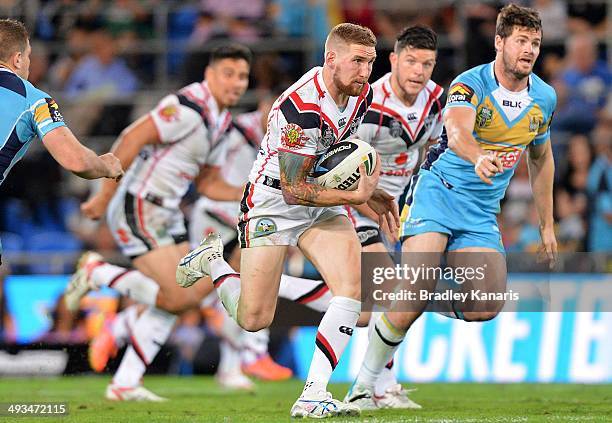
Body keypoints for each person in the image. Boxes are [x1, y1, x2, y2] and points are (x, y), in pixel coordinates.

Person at [177, 23, 400, 418]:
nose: (366, 72)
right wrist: (357, 196)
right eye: (358, 62)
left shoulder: (359, 93)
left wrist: (368, 190)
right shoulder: (300, 109)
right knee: (253, 318)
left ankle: (313, 393)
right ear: (331, 58)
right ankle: (213, 261)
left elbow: (336, 155)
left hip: (319, 200)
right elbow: (293, 190)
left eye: (370, 62)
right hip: (271, 203)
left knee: (356, 295)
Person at [345, 3, 557, 406]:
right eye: (521, 41)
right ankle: (361, 387)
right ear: (499, 42)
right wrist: (478, 155)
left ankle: (416, 292)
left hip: (480, 213)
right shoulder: (468, 84)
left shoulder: (544, 98)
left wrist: (547, 223)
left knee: (486, 305)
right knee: (412, 290)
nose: (529, 49)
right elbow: (457, 130)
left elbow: (541, 158)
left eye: (535, 42)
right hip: (437, 193)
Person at [64, 44, 251, 401]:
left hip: (166, 212)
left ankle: (125, 383)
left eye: (243, 76)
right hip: (140, 204)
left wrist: (254, 192)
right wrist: (103, 196)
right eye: (229, 73)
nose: (237, 83)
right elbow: (133, 137)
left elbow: (209, 184)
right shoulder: (186, 108)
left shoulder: (221, 120)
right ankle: (98, 272)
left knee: (187, 296)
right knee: (180, 296)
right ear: (210, 75)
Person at [0, 18, 122, 266]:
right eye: (29, 56)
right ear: (18, 59)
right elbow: (76, 161)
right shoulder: (34, 100)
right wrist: (105, 165)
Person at [189, 95, 293, 386]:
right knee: (196, 293)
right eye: (272, 111)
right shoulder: (235, 132)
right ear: (262, 107)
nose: (277, 120)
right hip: (214, 215)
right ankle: (251, 353)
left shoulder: (287, 138)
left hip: (240, 217)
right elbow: (207, 176)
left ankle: (233, 366)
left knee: (243, 286)